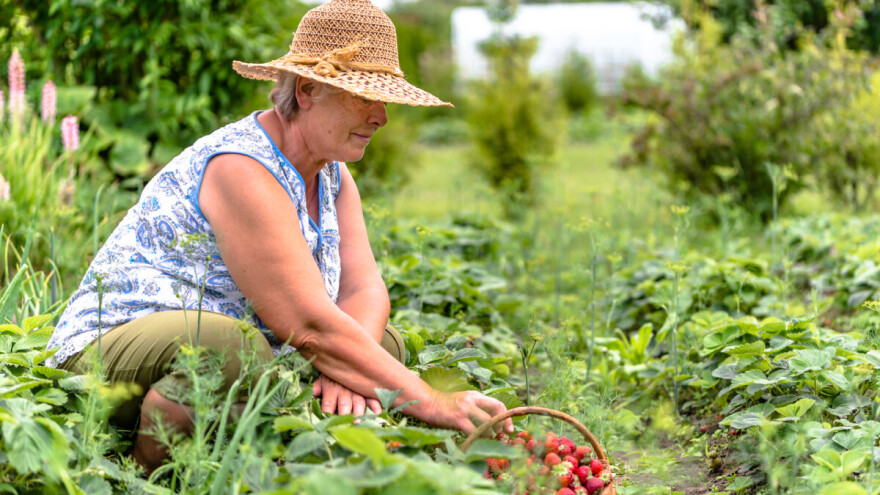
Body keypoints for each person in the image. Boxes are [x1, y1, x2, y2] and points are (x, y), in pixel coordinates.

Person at [45, 0, 513, 473]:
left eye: (384, 100)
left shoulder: (331, 174)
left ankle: (266, 452)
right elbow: (308, 325)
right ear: (308, 91)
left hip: (250, 348)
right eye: (363, 97)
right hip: (109, 352)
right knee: (228, 348)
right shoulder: (240, 166)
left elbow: (363, 289)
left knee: (381, 346)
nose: (381, 117)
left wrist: (346, 372)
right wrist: (431, 400)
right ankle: (138, 471)